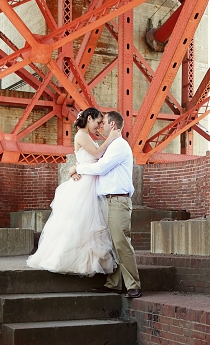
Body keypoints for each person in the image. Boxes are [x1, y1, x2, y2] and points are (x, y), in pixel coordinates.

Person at [27, 107, 118, 276]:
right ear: (89, 119)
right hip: (84, 184)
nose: (98, 127)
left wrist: (76, 167)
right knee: (81, 222)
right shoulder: (81, 135)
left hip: (89, 180)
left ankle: (88, 262)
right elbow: (98, 154)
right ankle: (72, 261)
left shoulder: (86, 136)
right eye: (98, 122)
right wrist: (111, 138)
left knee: (87, 223)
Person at [68, 110, 142, 299]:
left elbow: (101, 168)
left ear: (113, 125)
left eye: (104, 123)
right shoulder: (111, 146)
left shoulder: (119, 145)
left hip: (117, 200)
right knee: (112, 243)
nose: (101, 127)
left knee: (121, 242)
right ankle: (114, 284)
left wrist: (78, 167)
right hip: (107, 200)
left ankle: (134, 284)